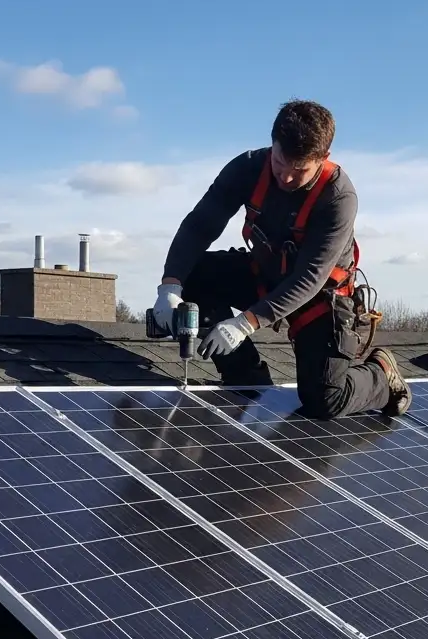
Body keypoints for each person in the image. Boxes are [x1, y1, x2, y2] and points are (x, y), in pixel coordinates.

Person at [151, 99, 411, 419]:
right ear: (272, 143)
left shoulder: (338, 198)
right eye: (279, 162)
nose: (285, 178)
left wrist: (244, 323)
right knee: (194, 275)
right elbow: (199, 225)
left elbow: (310, 278)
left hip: (319, 297)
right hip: (267, 274)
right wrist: (170, 285)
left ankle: (381, 374)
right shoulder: (247, 168)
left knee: (325, 400)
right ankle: (247, 379)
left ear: (322, 158)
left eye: (298, 169)